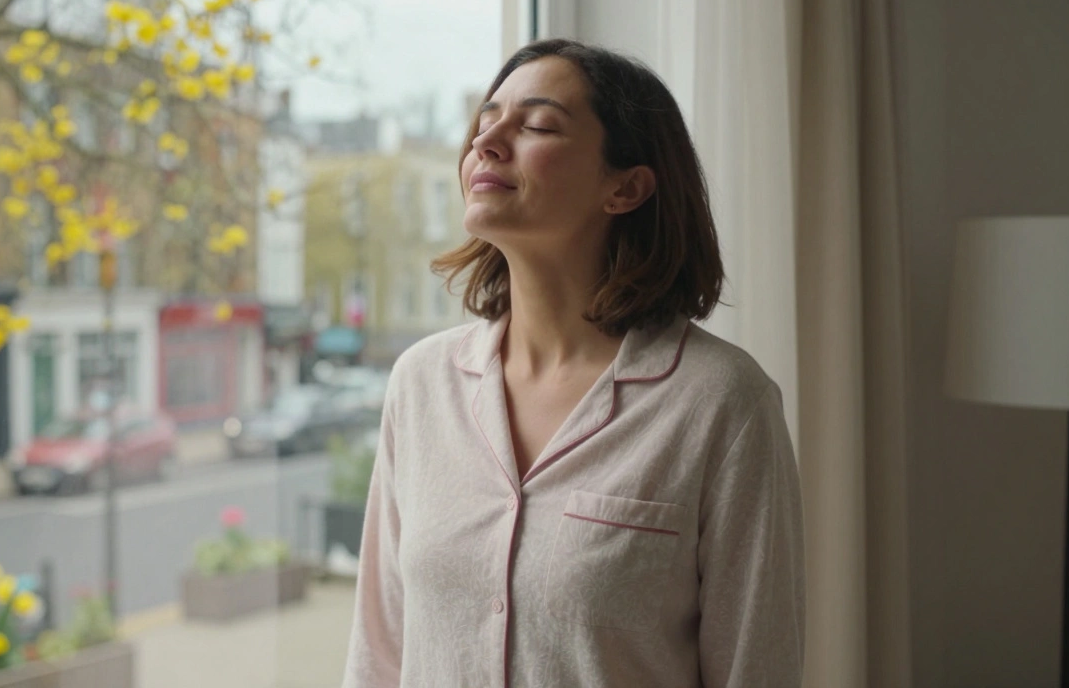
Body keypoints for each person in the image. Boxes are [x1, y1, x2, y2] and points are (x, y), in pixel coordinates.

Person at [342, 38, 805, 688]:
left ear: (626, 187)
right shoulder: (421, 384)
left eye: (535, 124)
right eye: (487, 118)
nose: (488, 141)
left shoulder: (722, 403)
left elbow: (757, 669)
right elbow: (378, 656)